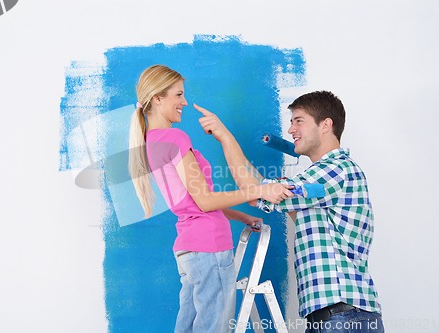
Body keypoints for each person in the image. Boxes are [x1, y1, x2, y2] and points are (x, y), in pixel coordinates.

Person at [195, 91, 384, 333]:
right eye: (291, 122)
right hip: (334, 317)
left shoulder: (336, 170)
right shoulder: (319, 182)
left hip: (344, 317)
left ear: (326, 125)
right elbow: (261, 190)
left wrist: (226, 138)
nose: (291, 130)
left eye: (299, 121)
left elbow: (256, 192)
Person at [128, 64, 293, 333]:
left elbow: (192, 201)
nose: (185, 102)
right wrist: (261, 190)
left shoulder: (151, 141)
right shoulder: (175, 138)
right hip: (208, 247)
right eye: (178, 95)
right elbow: (204, 201)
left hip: (189, 250)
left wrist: (240, 216)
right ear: (158, 98)